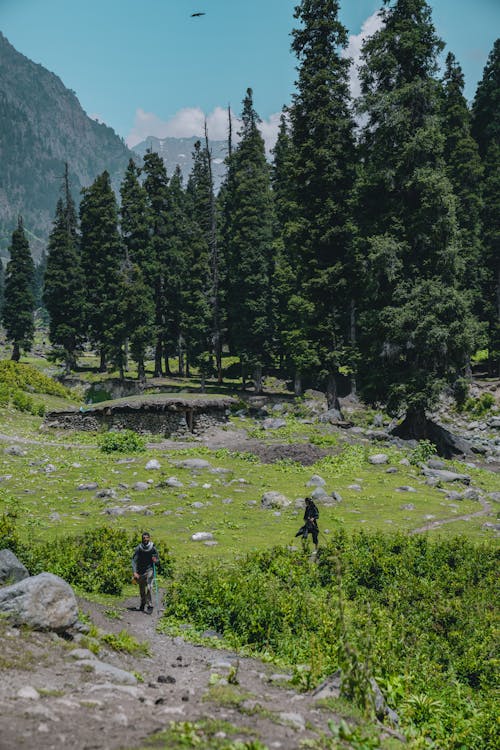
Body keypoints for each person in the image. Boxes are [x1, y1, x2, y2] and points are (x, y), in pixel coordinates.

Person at [132, 532, 159, 613]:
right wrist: (134, 572)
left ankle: (150, 605)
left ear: (149, 538)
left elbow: (157, 560)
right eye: (144, 538)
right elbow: (134, 560)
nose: (145, 539)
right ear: (142, 539)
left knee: (149, 587)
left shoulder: (153, 548)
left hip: (150, 570)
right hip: (140, 571)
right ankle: (143, 603)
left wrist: (156, 560)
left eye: (147, 538)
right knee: (142, 589)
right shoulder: (139, 548)